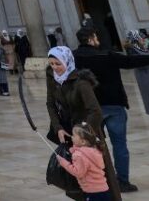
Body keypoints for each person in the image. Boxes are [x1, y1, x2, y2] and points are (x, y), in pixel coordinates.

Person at [72, 26, 149, 192]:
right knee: (119, 145)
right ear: (91, 39)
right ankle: (122, 182)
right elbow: (130, 62)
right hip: (113, 104)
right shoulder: (107, 55)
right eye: (96, 37)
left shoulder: (73, 57)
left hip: (89, 107)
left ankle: (97, 180)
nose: (98, 40)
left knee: (90, 144)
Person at [46, 47, 122, 201]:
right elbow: (50, 104)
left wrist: (82, 132)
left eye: (58, 64)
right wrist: (58, 127)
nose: (55, 68)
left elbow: (95, 111)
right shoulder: (52, 78)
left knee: (99, 174)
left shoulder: (81, 82)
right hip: (70, 135)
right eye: (52, 64)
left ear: (67, 61)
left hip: (87, 134)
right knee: (76, 177)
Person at [55, 124, 114, 201]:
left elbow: (78, 172)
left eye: (74, 135)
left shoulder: (79, 155)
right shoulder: (94, 151)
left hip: (92, 192)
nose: (71, 137)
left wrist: (63, 162)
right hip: (103, 189)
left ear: (83, 141)